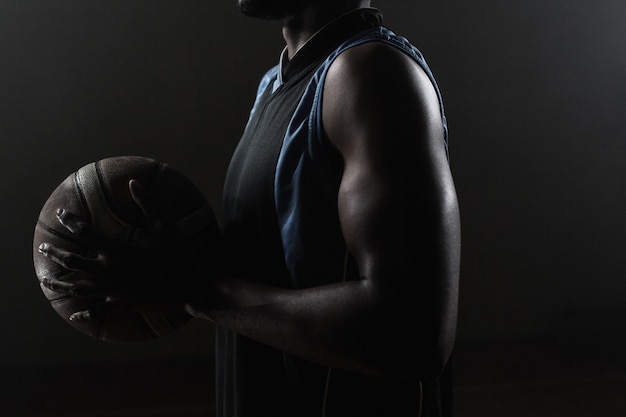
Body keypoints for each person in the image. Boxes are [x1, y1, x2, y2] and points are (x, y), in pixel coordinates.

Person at [38, 1, 461, 416]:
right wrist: (155, 264)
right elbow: (274, 268)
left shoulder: (369, 73)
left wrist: (193, 290)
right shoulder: (275, 85)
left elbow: (414, 333)